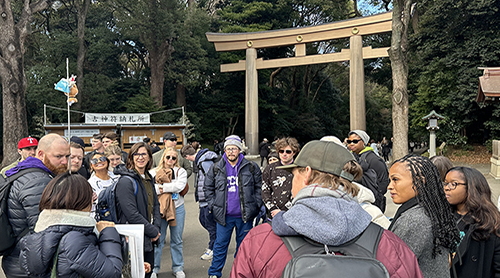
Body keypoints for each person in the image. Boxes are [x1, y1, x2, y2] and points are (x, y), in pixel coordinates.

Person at [230, 140, 423, 278]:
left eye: (294, 174)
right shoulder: (391, 245)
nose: (291, 182)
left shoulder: (259, 242)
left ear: (306, 174)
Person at [18, 173, 122, 277]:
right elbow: (113, 274)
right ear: (80, 200)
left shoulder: (34, 239)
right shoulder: (73, 240)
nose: (93, 200)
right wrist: (108, 232)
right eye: (90, 196)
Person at [2, 133, 70, 278]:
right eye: (58, 156)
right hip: (27, 265)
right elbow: (43, 231)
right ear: (40, 154)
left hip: (18, 259)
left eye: (67, 156)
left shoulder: (23, 172)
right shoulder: (38, 181)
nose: (65, 161)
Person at [388, 154, 460, 278]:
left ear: (420, 181)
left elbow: (393, 268)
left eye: (395, 179)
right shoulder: (430, 209)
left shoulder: (413, 220)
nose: (389, 186)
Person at [204, 135, 263, 278]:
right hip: (224, 216)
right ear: (224, 150)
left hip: (245, 216)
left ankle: (239, 273)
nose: (231, 152)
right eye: (228, 149)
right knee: (220, 246)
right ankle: (214, 273)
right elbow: (208, 188)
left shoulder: (251, 167)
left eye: (234, 149)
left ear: (239, 150)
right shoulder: (216, 167)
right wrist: (214, 205)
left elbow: (259, 188)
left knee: (243, 248)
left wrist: (255, 205)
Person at [113, 142, 161, 278]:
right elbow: (131, 214)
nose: (140, 157)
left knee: (148, 271)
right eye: (136, 154)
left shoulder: (148, 178)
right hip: (134, 239)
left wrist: (156, 228)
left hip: (148, 236)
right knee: (136, 274)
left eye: (144, 154)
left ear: (149, 157)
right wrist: (153, 231)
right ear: (131, 157)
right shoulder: (126, 181)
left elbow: (156, 205)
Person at [444, 167, 500, 278]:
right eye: (445, 183)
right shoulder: (443, 217)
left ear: (471, 187)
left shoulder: (490, 223)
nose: (446, 188)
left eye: (453, 184)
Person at [150, 148, 187, 278]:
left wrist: (161, 188)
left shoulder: (181, 171)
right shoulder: (153, 171)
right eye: (168, 157)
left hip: (177, 208)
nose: (170, 160)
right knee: (158, 239)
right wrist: (169, 187)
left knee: (176, 240)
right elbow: (150, 188)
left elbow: (180, 186)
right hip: (159, 209)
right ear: (163, 158)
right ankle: (154, 268)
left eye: (174, 158)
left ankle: (178, 267)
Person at [181, 144, 218, 261]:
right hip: (205, 199)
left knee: (210, 224)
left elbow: (212, 179)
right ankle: (216, 244)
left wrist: (210, 196)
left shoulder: (204, 162)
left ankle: (213, 248)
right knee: (204, 221)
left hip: (208, 199)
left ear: (187, 156)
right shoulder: (203, 160)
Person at [347, 130, 389, 211]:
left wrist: (375, 196)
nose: (351, 143)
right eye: (349, 141)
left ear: (364, 142)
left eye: (355, 141)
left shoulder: (373, 159)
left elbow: (384, 181)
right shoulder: (351, 157)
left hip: (372, 203)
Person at [261, 137, 299, 220]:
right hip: (273, 214)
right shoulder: (269, 169)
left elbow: (301, 192)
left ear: (294, 152)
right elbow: (265, 190)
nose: (284, 154)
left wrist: (284, 210)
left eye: (288, 152)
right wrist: (272, 208)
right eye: (281, 151)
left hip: (294, 214)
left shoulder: (300, 170)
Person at [88, 153, 119, 218]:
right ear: (91, 165)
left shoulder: (118, 178)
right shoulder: (89, 184)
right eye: (94, 161)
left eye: (102, 159)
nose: (99, 161)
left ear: (107, 161)